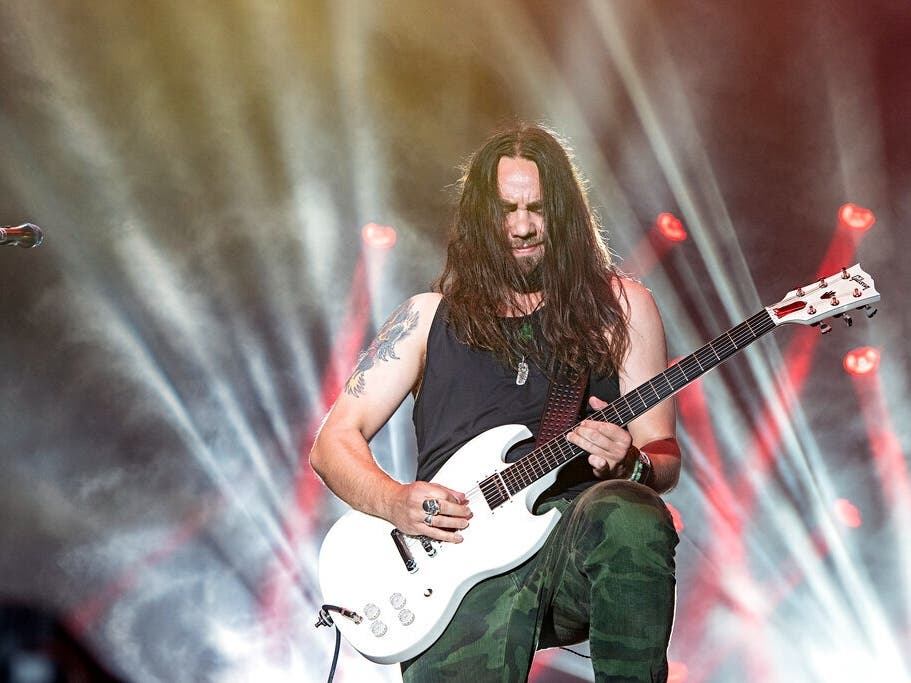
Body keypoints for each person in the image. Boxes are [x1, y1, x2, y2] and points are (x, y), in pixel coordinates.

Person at [310, 122, 681, 682]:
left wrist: (631, 463)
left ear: (567, 212)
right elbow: (334, 442)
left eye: (539, 208)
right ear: (481, 216)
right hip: (452, 564)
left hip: (564, 539)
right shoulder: (426, 317)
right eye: (507, 209)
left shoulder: (620, 307)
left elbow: (663, 456)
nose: (524, 226)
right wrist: (394, 502)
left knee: (631, 515)